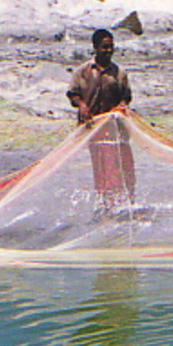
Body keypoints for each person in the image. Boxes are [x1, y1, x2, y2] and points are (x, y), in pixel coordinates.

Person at [67, 27, 136, 212]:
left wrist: (119, 107)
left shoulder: (119, 73)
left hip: (117, 128)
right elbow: (73, 94)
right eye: (105, 47)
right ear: (95, 47)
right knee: (101, 167)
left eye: (111, 47)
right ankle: (105, 206)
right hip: (93, 129)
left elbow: (126, 97)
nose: (108, 51)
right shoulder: (83, 71)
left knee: (123, 165)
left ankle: (128, 203)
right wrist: (82, 105)